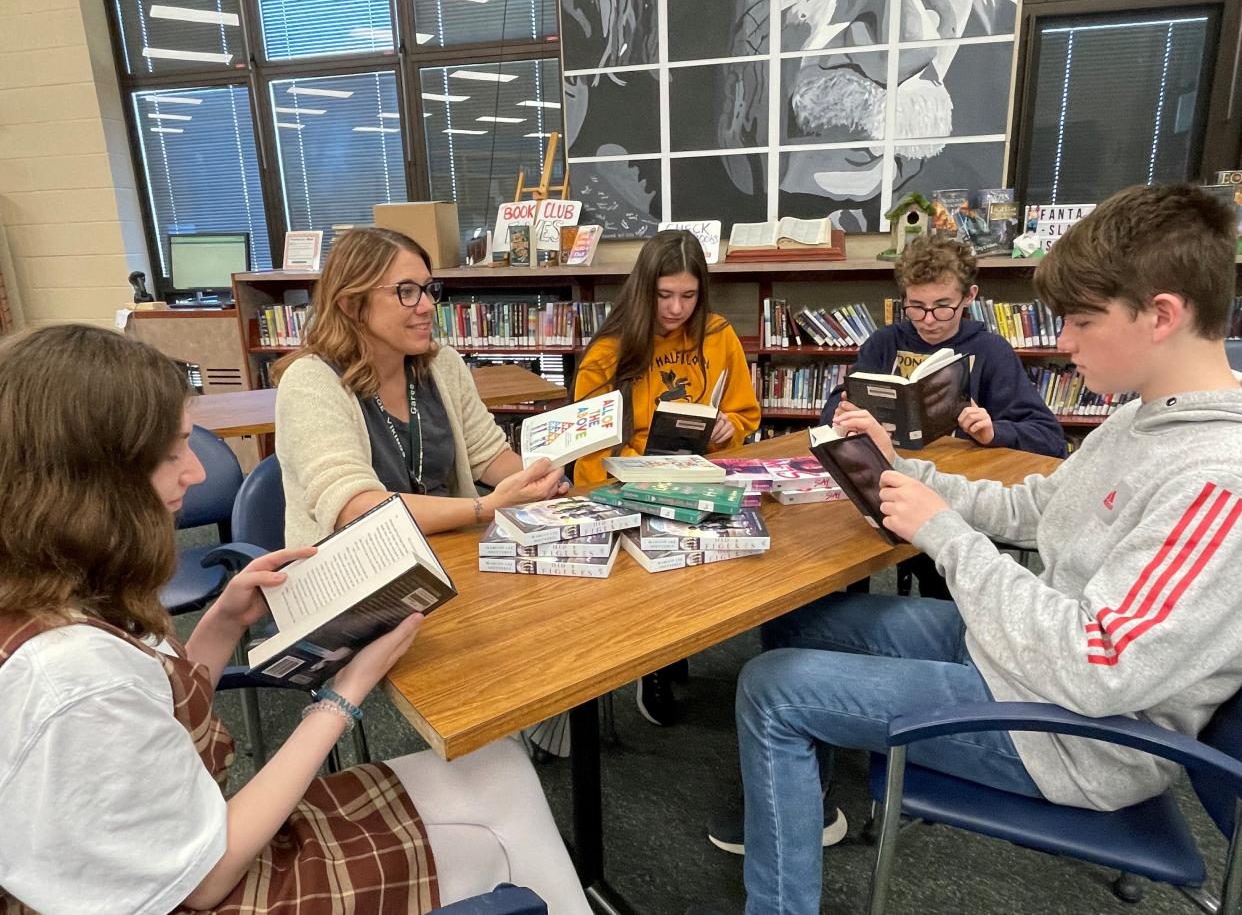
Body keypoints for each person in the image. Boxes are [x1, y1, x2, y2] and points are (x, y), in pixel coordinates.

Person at [717, 183, 1242, 914]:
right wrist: (907, 473)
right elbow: (1033, 508)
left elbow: (1100, 667)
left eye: (1082, 321)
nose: (1062, 343)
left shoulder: (1220, 481)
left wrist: (944, 533)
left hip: (1074, 737)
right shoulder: (1142, 419)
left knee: (772, 689)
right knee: (801, 625)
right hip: (1022, 662)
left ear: (1161, 316)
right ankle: (806, 792)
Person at [0, 325, 591, 914]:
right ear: (92, 478)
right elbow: (203, 880)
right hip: (207, 883)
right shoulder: (74, 674)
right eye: (171, 451)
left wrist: (224, 621)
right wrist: (345, 694)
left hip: (178, 836)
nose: (198, 473)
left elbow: (154, 724)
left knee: (499, 763)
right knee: (495, 847)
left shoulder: (53, 591)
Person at [573, 229, 762, 726]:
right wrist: (638, 472)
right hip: (625, 488)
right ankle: (651, 662)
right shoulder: (609, 351)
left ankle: (679, 643)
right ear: (643, 290)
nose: (676, 308)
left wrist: (728, 426)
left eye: (688, 295)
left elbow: (745, 416)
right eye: (664, 295)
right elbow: (586, 448)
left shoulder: (718, 336)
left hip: (697, 478)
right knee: (651, 565)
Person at [275, 227, 567, 547]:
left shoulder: (442, 366)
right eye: (406, 291)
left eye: (428, 290)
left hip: (446, 552)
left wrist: (538, 476)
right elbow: (353, 508)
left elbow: (488, 455)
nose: (427, 306)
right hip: (352, 571)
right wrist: (484, 508)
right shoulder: (311, 383)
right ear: (350, 304)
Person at [823, 233, 1066, 599]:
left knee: (939, 571)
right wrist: (843, 414)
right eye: (916, 306)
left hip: (957, 493)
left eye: (943, 306)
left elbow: (1049, 439)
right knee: (848, 544)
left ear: (970, 297)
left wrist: (993, 431)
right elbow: (834, 406)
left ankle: (937, 625)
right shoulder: (883, 343)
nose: (929, 320)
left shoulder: (991, 351)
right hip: (889, 479)